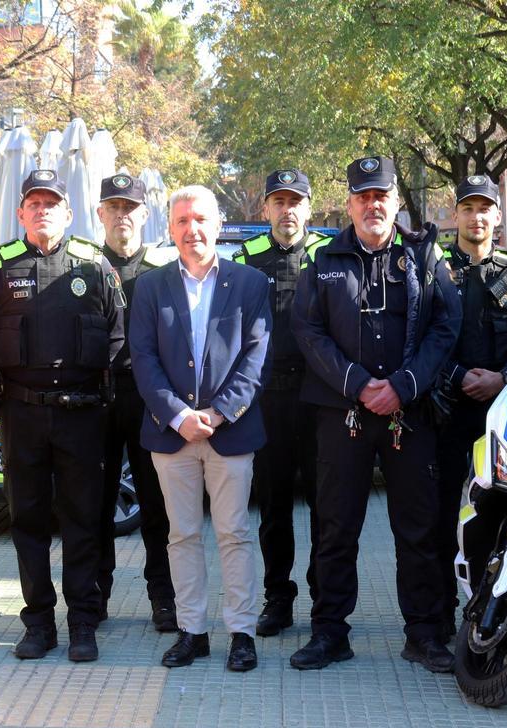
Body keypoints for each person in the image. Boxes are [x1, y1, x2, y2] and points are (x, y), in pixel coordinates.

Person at [289, 157, 460, 672]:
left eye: (380, 195)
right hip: (344, 414)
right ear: (349, 204)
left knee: (418, 529)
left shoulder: (425, 259)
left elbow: (445, 327)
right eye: (363, 196)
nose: (372, 204)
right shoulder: (323, 261)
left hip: (410, 412)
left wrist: (403, 386)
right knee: (336, 528)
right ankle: (329, 632)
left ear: (396, 203)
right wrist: (360, 385)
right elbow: (308, 331)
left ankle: (424, 634)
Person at [0, 169, 124, 663]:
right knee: (28, 522)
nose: (42, 211)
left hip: (82, 416)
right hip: (21, 415)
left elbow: (118, 339)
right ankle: (38, 622)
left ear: (68, 212)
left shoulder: (94, 265)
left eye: (51, 203)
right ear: (20, 213)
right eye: (33, 203)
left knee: (83, 521)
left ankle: (84, 620)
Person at [129, 185, 271, 672]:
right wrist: (178, 415)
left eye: (201, 220)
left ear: (218, 224)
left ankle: (242, 632)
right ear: (171, 228)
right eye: (183, 221)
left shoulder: (250, 284)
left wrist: (217, 413)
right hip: (171, 435)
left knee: (233, 533)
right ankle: (192, 630)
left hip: (230, 432)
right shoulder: (149, 287)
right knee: (181, 535)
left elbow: (256, 357)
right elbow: (143, 359)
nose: (193, 230)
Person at [432, 175, 507, 643]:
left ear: (498, 217)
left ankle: (489, 612)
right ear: (455, 215)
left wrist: (503, 377)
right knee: (438, 518)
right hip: (444, 411)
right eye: (468, 208)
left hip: (503, 413)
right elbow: (420, 335)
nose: (477, 217)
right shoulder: (432, 269)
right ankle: (436, 618)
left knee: (497, 515)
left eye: (485, 209)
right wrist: (458, 378)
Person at [232, 169, 330, 637]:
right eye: (279, 201)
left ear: (309, 208)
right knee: (272, 507)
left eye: (296, 201)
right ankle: (277, 598)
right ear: (265, 209)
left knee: (325, 504)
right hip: (267, 397)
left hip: (318, 398)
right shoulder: (246, 260)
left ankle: (324, 599)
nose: (287, 210)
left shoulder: (329, 257)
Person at [93, 174, 179, 632]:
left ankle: (163, 598)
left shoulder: (164, 272)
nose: (122, 215)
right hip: (99, 399)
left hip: (151, 400)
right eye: (114, 207)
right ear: (100, 214)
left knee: (156, 506)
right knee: (97, 504)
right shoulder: (83, 268)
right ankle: (97, 595)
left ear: (145, 216)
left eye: (130, 208)